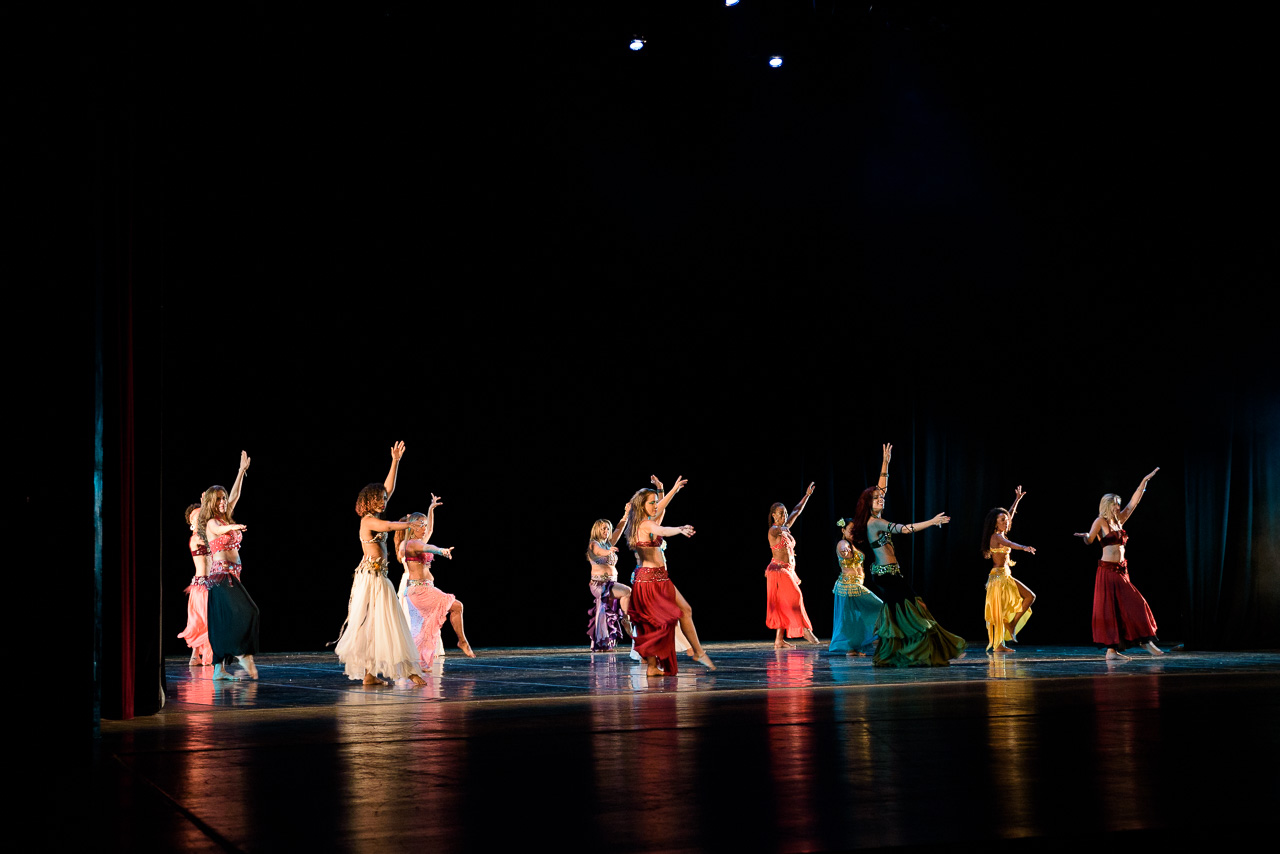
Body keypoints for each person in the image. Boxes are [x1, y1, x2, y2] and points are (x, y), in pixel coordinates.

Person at [851, 443, 965, 667]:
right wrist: (932, 522)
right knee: (912, 610)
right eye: (875, 499)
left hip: (889, 573)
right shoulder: (874, 523)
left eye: (880, 498)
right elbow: (903, 529)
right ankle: (911, 653)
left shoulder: (877, 516)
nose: (880, 499)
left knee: (900, 612)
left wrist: (886, 462)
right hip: (886, 575)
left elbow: (882, 487)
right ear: (868, 504)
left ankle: (896, 653)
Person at [334, 441, 427, 686]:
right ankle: (408, 671)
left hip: (378, 575)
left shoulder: (376, 514)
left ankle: (370, 674)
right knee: (387, 620)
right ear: (369, 501)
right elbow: (386, 526)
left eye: (385, 499)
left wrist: (395, 461)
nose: (384, 501)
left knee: (380, 623)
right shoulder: (367, 521)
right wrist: (408, 524)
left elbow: (389, 488)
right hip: (371, 578)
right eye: (380, 499)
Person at [624, 475, 715, 676]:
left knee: (675, 614)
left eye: (656, 502)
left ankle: (655, 666)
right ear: (642, 506)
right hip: (651, 580)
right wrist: (680, 529)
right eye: (652, 503)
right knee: (661, 620)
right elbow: (661, 528)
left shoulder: (643, 521)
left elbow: (661, 508)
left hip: (656, 577)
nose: (656, 505)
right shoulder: (646, 525)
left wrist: (669, 490)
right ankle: (693, 652)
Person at [1075, 468, 1163, 659]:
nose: (1118, 507)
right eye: (1115, 504)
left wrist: (1144, 481)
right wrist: (1085, 537)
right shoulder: (1100, 521)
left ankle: (1118, 650)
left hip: (1122, 571)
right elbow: (1090, 540)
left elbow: (1134, 502)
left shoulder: (1120, 521)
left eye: (1118, 504)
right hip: (1108, 571)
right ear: (1107, 505)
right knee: (1116, 608)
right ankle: (1124, 647)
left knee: (1128, 607)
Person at [394, 494, 474, 669]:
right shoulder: (409, 545)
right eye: (421, 525)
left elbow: (429, 532)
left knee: (425, 627)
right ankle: (462, 641)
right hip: (420, 591)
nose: (424, 528)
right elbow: (428, 547)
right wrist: (441, 551)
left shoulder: (416, 541)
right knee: (456, 606)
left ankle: (421, 662)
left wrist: (431, 509)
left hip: (426, 588)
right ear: (413, 527)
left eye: (423, 524)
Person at [198, 451, 258, 680]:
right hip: (221, 576)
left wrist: (242, 471)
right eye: (220, 500)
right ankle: (243, 654)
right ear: (212, 503)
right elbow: (220, 530)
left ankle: (218, 670)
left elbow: (236, 495)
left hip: (233, 575)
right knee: (249, 611)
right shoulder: (213, 522)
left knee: (225, 621)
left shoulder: (225, 517)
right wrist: (234, 528)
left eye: (224, 499)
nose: (224, 502)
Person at [980, 486, 1036, 654]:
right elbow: (1011, 545)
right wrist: (1024, 547)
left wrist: (1017, 499)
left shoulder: (1001, 533)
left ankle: (1010, 628)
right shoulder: (996, 537)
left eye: (1006, 520)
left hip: (1006, 576)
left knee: (1029, 597)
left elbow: (1010, 514)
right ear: (995, 523)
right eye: (1002, 520)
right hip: (998, 578)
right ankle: (998, 645)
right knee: (998, 612)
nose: (1006, 521)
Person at [765, 483, 820, 648]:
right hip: (778, 570)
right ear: (774, 515)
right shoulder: (773, 530)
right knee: (796, 596)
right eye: (781, 513)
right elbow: (777, 531)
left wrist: (807, 495)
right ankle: (804, 629)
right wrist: (783, 527)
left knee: (782, 604)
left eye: (785, 513)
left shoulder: (785, 527)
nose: (784, 515)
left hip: (788, 570)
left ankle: (778, 641)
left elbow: (796, 510)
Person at [829, 516, 883, 656]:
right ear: (843, 530)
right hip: (848, 586)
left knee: (856, 618)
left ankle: (856, 646)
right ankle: (849, 648)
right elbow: (843, 550)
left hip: (855, 585)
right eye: (851, 530)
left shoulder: (853, 544)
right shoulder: (843, 543)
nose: (853, 532)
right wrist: (846, 551)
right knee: (875, 607)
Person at [586, 509, 633, 651]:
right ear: (597, 530)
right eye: (603, 528)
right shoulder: (594, 544)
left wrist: (626, 514)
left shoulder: (608, 543)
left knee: (624, 594)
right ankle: (626, 620)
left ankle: (624, 620)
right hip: (599, 584)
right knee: (627, 591)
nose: (606, 531)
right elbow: (599, 552)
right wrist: (608, 552)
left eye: (608, 528)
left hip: (610, 583)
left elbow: (619, 528)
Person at [177, 502, 213, 666]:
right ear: (192, 524)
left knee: (205, 620)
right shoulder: (195, 538)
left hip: (212, 584)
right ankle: (195, 655)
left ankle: (195, 656)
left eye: (202, 517)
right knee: (200, 620)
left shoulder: (209, 535)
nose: (201, 520)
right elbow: (210, 542)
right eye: (197, 518)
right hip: (200, 587)